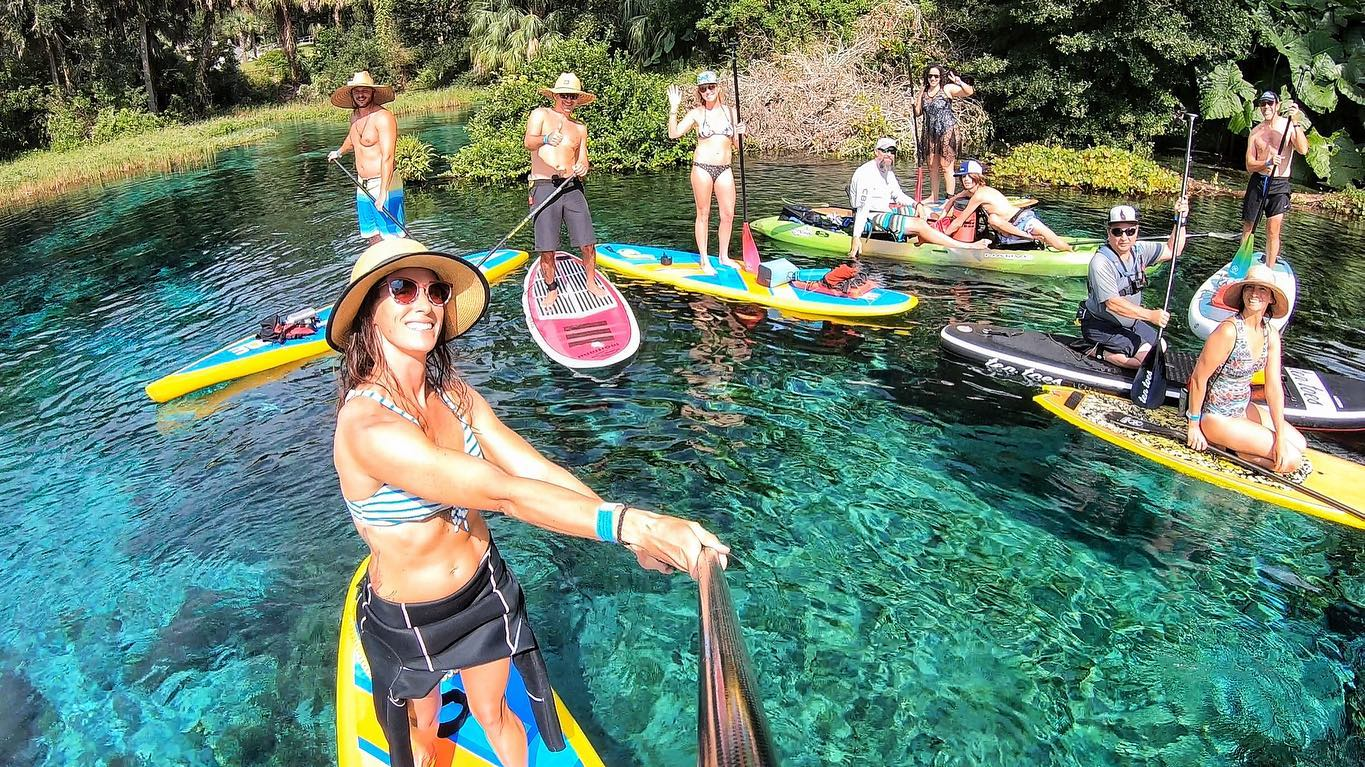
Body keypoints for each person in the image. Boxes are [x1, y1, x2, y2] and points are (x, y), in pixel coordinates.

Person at [328, 237, 729, 767]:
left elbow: (532, 469)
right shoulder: (366, 427)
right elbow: (502, 492)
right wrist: (638, 526)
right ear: (369, 314)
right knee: (423, 731)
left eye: (436, 290)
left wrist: (627, 534)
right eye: (401, 289)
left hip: (482, 590)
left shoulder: (454, 394)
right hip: (410, 615)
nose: (423, 303)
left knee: (492, 711)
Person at [1185, 263, 1307, 476]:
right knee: (1291, 461)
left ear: (1271, 298)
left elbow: (1274, 388)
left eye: (1262, 290)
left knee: (1300, 443)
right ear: (1242, 293)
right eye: (1249, 288)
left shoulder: (1271, 335)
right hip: (1216, 416)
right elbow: (1198, 378)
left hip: (1242, 408)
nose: (1254, 294)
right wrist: (1193, 426)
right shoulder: (1228, 331)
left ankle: (1242, 446)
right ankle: (1234, 450)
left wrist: (1279, 435)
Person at [523, 72, 604, 310]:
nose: (568, 100)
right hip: (544, 185)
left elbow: (584, 162)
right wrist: (547, 138)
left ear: (578, 99)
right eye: (564, 95)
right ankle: (551, 288)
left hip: (571, 186)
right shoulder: (541, 114)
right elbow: (529, 142)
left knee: (588, 242)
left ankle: (591, 281)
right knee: (547, 247)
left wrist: (582, 167)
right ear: (556, 96)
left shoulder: (580, 128)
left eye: (573, 96)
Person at [1077, 202, 1188, 369]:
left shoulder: (1140, 251)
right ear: (1108, 233)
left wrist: (1180, 219)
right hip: (1100, 326)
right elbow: (1113, 303)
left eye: (1130, 231)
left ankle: (1122, 349)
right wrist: (1150, 315)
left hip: (1129, 323)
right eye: (1117, 231)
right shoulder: (1100, 263)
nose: (1124, 237)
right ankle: (1100, 353)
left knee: (1161, 347)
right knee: (1145, 361)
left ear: (1137, 231)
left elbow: (1173, 250)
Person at [845, 138, 989, 259]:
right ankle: (966, 247)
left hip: (886, 210)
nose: (889, 154)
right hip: (871, 216)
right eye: (885, 151)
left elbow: (898, 195)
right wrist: (856, 237)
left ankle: (934, 236)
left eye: (892, 152)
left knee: (926, 211)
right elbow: (862, 209)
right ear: (876, 152)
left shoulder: (887, 171)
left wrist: (917, 205)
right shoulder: (865, 173)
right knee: (919, 224)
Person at [667, 70, 746, 275]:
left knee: (728, 214)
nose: (708, 91)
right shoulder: (696, 113)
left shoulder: (731, 112)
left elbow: (738, 147)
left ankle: (723, 256)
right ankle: (704, 259)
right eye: (703, 89)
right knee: (703, 213)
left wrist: (741, 133)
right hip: (702, 167)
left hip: (724, 168)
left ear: (718, 87)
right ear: (699, 92)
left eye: (711, 87)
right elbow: (673, 134)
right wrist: (673, 109)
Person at [328, 71, 404, 244]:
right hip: (362, 183)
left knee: (392, 235)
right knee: (371, 233)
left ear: (373, 93)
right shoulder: (354, 116)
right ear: (352, 94)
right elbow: (353, 138)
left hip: (384, 183)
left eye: (365, 91)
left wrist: (383, 191)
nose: (361, 95)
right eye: (357, 91)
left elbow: (388, 156)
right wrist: (339, 152)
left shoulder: (383, 117)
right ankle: (380, 269)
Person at [939, 160, 1073, 252]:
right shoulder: (969, 192)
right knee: (994, 219)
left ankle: (1069, 252)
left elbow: (959, 222)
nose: (966, 179)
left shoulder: (979, 195)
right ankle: (1030, 238)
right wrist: (941, 219)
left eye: (969, 176)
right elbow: (951, 201)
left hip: (1023, 220)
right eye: (963, 177)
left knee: (1059, 245)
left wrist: (942, 237)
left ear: (977, 177)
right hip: (1007, 228)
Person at [1242, 91, 1307, 268]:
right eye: (1263, 104)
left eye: (1270, 103)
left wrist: (1295, 121)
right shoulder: (1255, 132)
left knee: (1273, 230)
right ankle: (1243, 265)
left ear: (1277, 105)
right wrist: (1267, 162)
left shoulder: (1288, 126)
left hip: (1279, 184)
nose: (1266, 107)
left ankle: (1269, 269)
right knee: (1249, 227)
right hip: (1258, 182)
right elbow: (1249, 165)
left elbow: (1303, 149)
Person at [913, 64, 974, 202]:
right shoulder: (923, 91)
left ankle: (949, 198)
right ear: (927, 77)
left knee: (946, 166)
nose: (933, 78)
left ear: (940, 77)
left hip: (947, 130)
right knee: (932, 165)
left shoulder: (947, 89)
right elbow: (917, 112)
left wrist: (959, 82)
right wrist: (913, 103)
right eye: (930, 76)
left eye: (936, 76)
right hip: (929, 133)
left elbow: (969, 92)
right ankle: (934, 196)